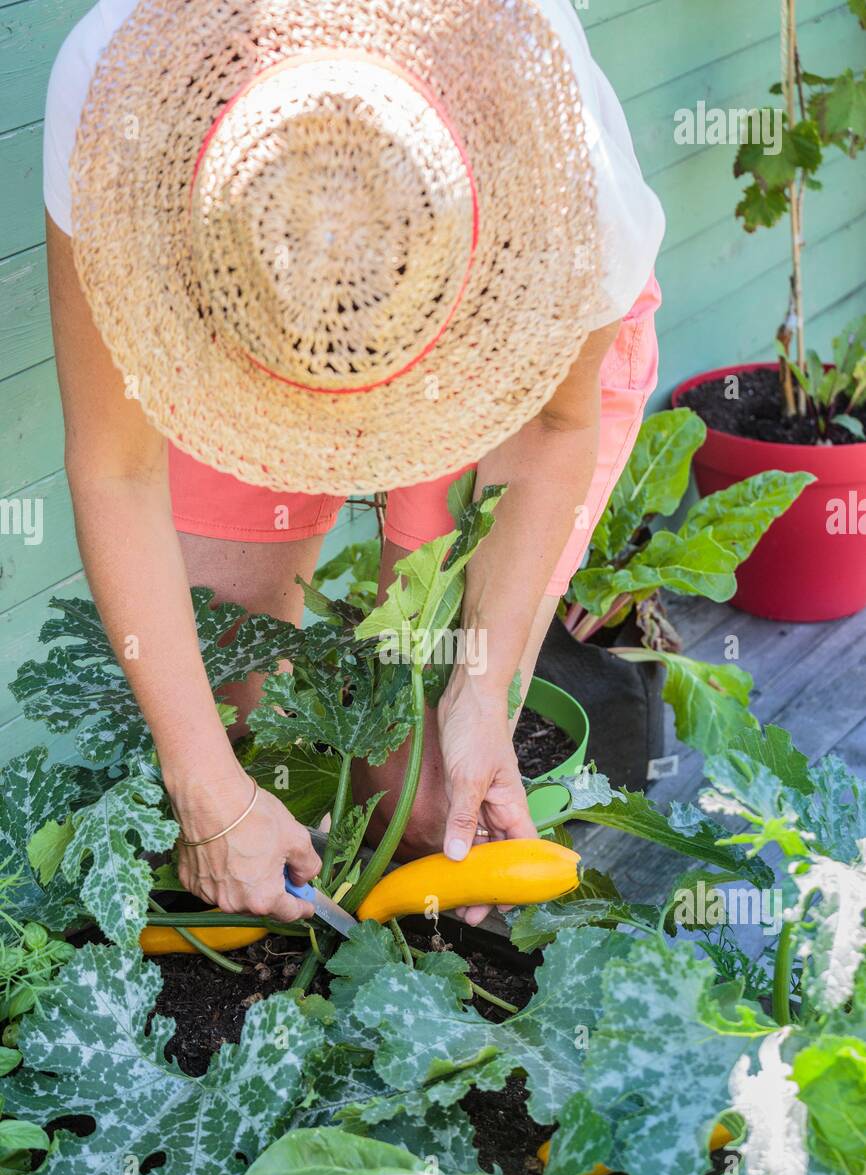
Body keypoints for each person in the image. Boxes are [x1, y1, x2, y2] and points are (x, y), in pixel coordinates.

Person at [43, 0, 664, 926]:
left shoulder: (558, 157)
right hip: (245, 320)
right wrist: (208, 790)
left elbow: (552, 431)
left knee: (413, 764)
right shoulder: (116, 96)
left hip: (468, 316)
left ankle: (399, 945)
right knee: (229, 686)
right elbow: (115, 468)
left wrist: (483, 691)